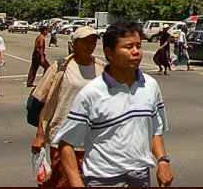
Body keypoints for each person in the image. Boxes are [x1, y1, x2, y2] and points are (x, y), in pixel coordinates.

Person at [53, 19, 175, 188]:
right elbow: (66, 143)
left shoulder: (150, 86)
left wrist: (163, 161)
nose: (136, 52)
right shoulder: (92, 93)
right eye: (128, 47)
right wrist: (76, 183)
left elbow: (155, 129)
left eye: (138, 46)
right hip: (103, 179)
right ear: (109, 52)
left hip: (140, 177)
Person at [31, 26, 106, 187]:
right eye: (85, 41)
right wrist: (40, 135)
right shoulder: (61, 67)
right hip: (62, 138)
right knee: (62, 183)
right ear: (74, 44)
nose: (90, 45)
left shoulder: (101, 68)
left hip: (91, 141)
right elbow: (44, 100)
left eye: (93, 41)